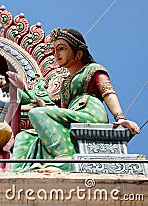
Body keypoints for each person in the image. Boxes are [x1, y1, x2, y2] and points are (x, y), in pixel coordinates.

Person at [10, 28, 140, 173]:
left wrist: (120, 118)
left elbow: (108, 92)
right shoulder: (65, 84)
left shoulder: (92, 69)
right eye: (53, 50)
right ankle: (16, 174)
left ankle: (64, 161)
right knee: (24, 136)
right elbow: (61, 113)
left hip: (89, 113)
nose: (56, 54)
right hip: (72, 114)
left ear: (78, 53)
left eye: (62, 48)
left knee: (37, 113)